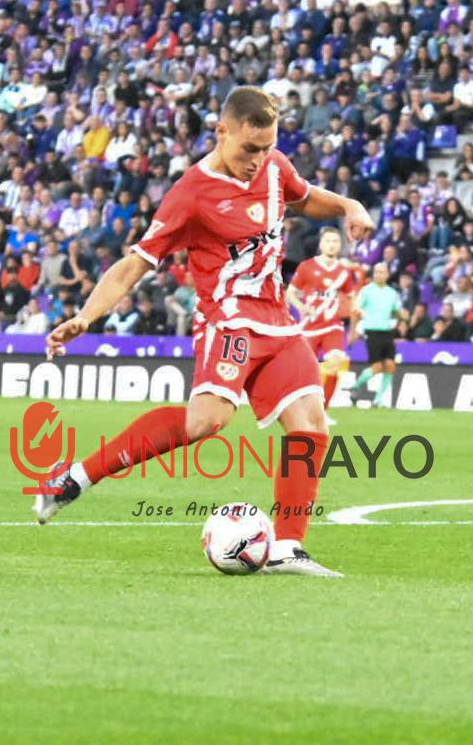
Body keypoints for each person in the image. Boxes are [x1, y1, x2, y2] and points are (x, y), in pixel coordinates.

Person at [36, 87, 374, 577]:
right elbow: (134, 266)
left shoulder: (275, 167)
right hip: (228, 321)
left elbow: (305, 200)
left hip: (278, 320)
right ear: (222, 132)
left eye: (266, 147)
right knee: (205, 423)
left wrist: (349, 205)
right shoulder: (192, 193)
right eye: (248, 149)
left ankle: (286, 548)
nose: (258, 160)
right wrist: (87, 317)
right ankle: (74, 478)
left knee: (311, 427)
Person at [286, 227, 356, 419]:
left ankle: (321, 413)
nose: (332, 244)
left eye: (335, 241)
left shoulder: (343, 272)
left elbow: (350, 296)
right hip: (309, 326)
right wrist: (302, 307)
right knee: (307, 372)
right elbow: (290, 293)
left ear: (340, 245)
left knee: (335, 363)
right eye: (328, 241)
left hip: (333, 325)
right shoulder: (307, 267)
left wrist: (353, 316)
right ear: (321, 244)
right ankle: (300, 407)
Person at [346, 263, 409, 408]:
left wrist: (401, 316)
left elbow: (394, 311)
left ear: (387, 274)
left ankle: (378, 401)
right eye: (376, 272)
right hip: (372, 331)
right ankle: (356, 386)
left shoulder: (392, 293)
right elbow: (356, 311)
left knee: (390, 366)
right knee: (377, 367)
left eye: (381, 272)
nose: (378, 275)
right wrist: (353, 332)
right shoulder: (366, 291)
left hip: (387, 331)